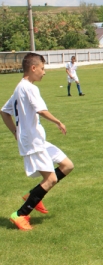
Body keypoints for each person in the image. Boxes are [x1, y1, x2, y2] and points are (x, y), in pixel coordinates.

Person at [1, 53, 75, 230]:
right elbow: (41, 110)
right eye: (42, 68)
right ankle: (20, 214)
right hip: (33, 142)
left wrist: (15, 131)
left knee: (67, 165)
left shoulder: (20, 88)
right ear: (33, 68)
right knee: (50, 179)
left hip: (37, 139)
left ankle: (33, 196)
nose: (44, 72)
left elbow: (4, 111)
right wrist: (58, 121)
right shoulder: (29, 88)